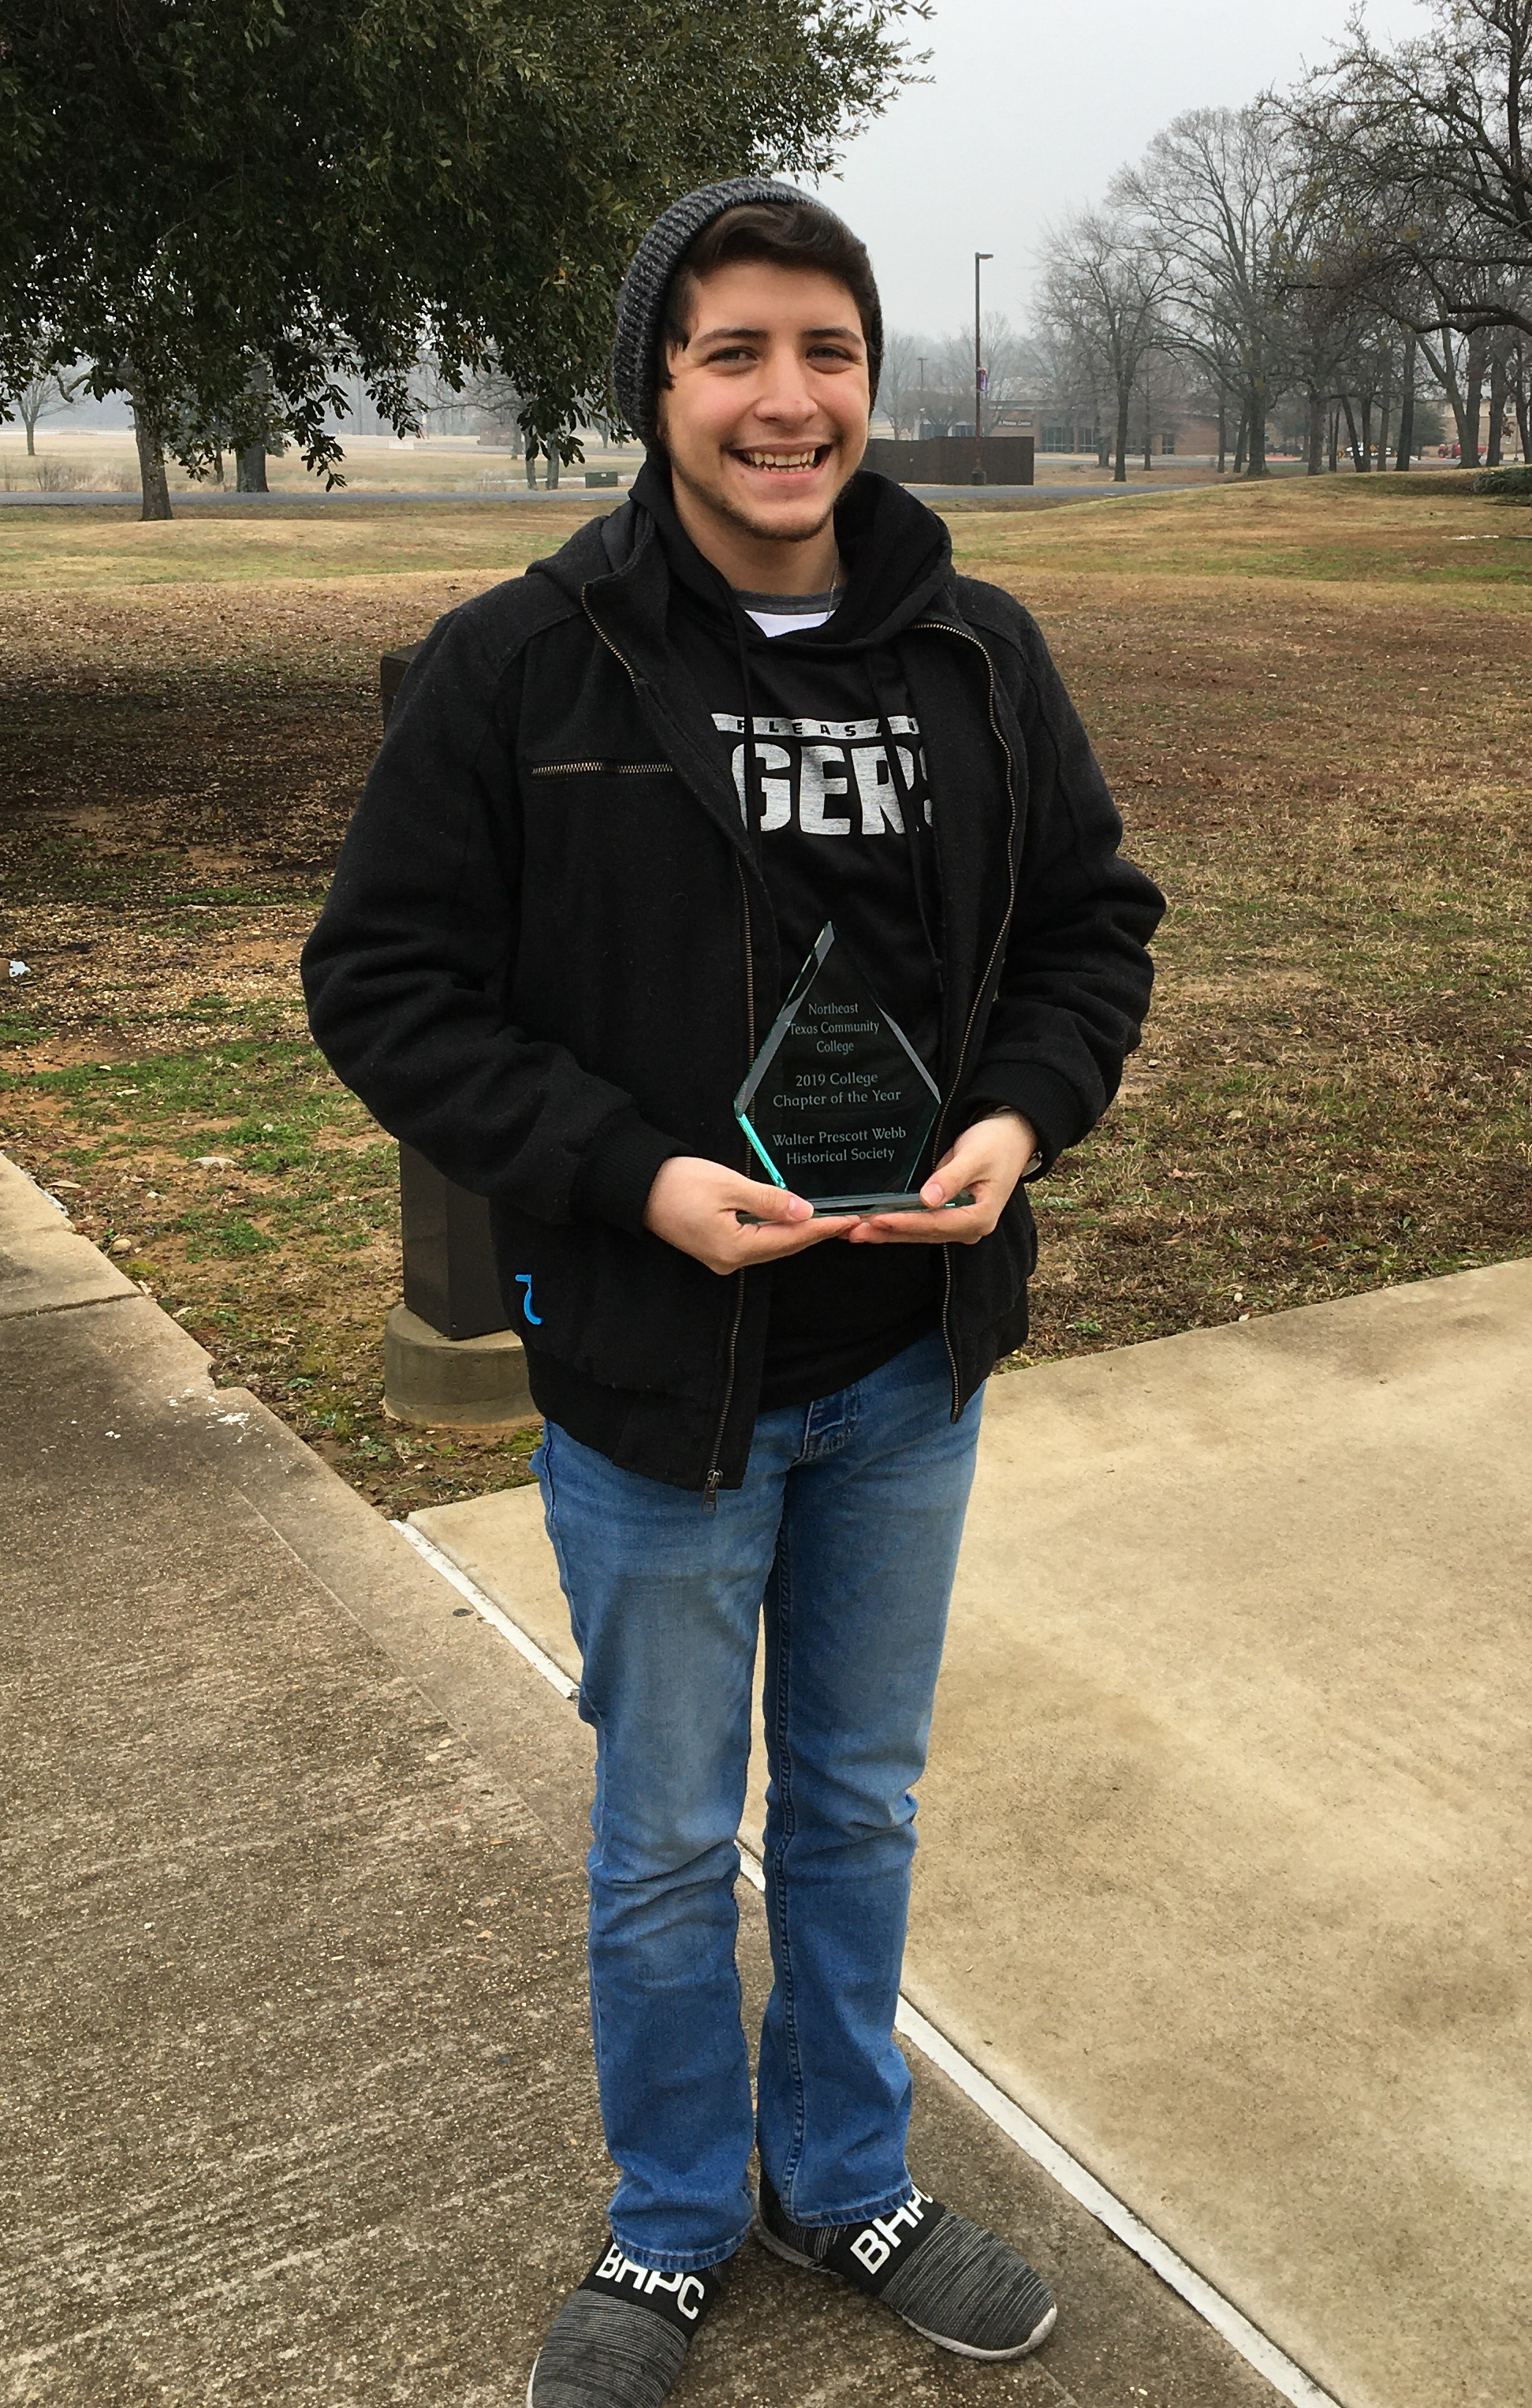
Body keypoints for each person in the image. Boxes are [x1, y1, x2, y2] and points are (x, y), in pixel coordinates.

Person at [302, 177, 1164, 2407]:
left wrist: (1018, 1125)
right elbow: (383, 984)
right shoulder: (527, 663)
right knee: (674, 1833)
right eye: (733, 353)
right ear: (655, 388)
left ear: (873, 379)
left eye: (829, 351)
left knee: (859, 1805)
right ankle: (678, 2219)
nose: (790, 401)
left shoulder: (979, 657)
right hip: (662, 1378)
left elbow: (1091, 931)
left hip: (906, 1373)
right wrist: (635, 1177)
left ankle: (843, 2176)